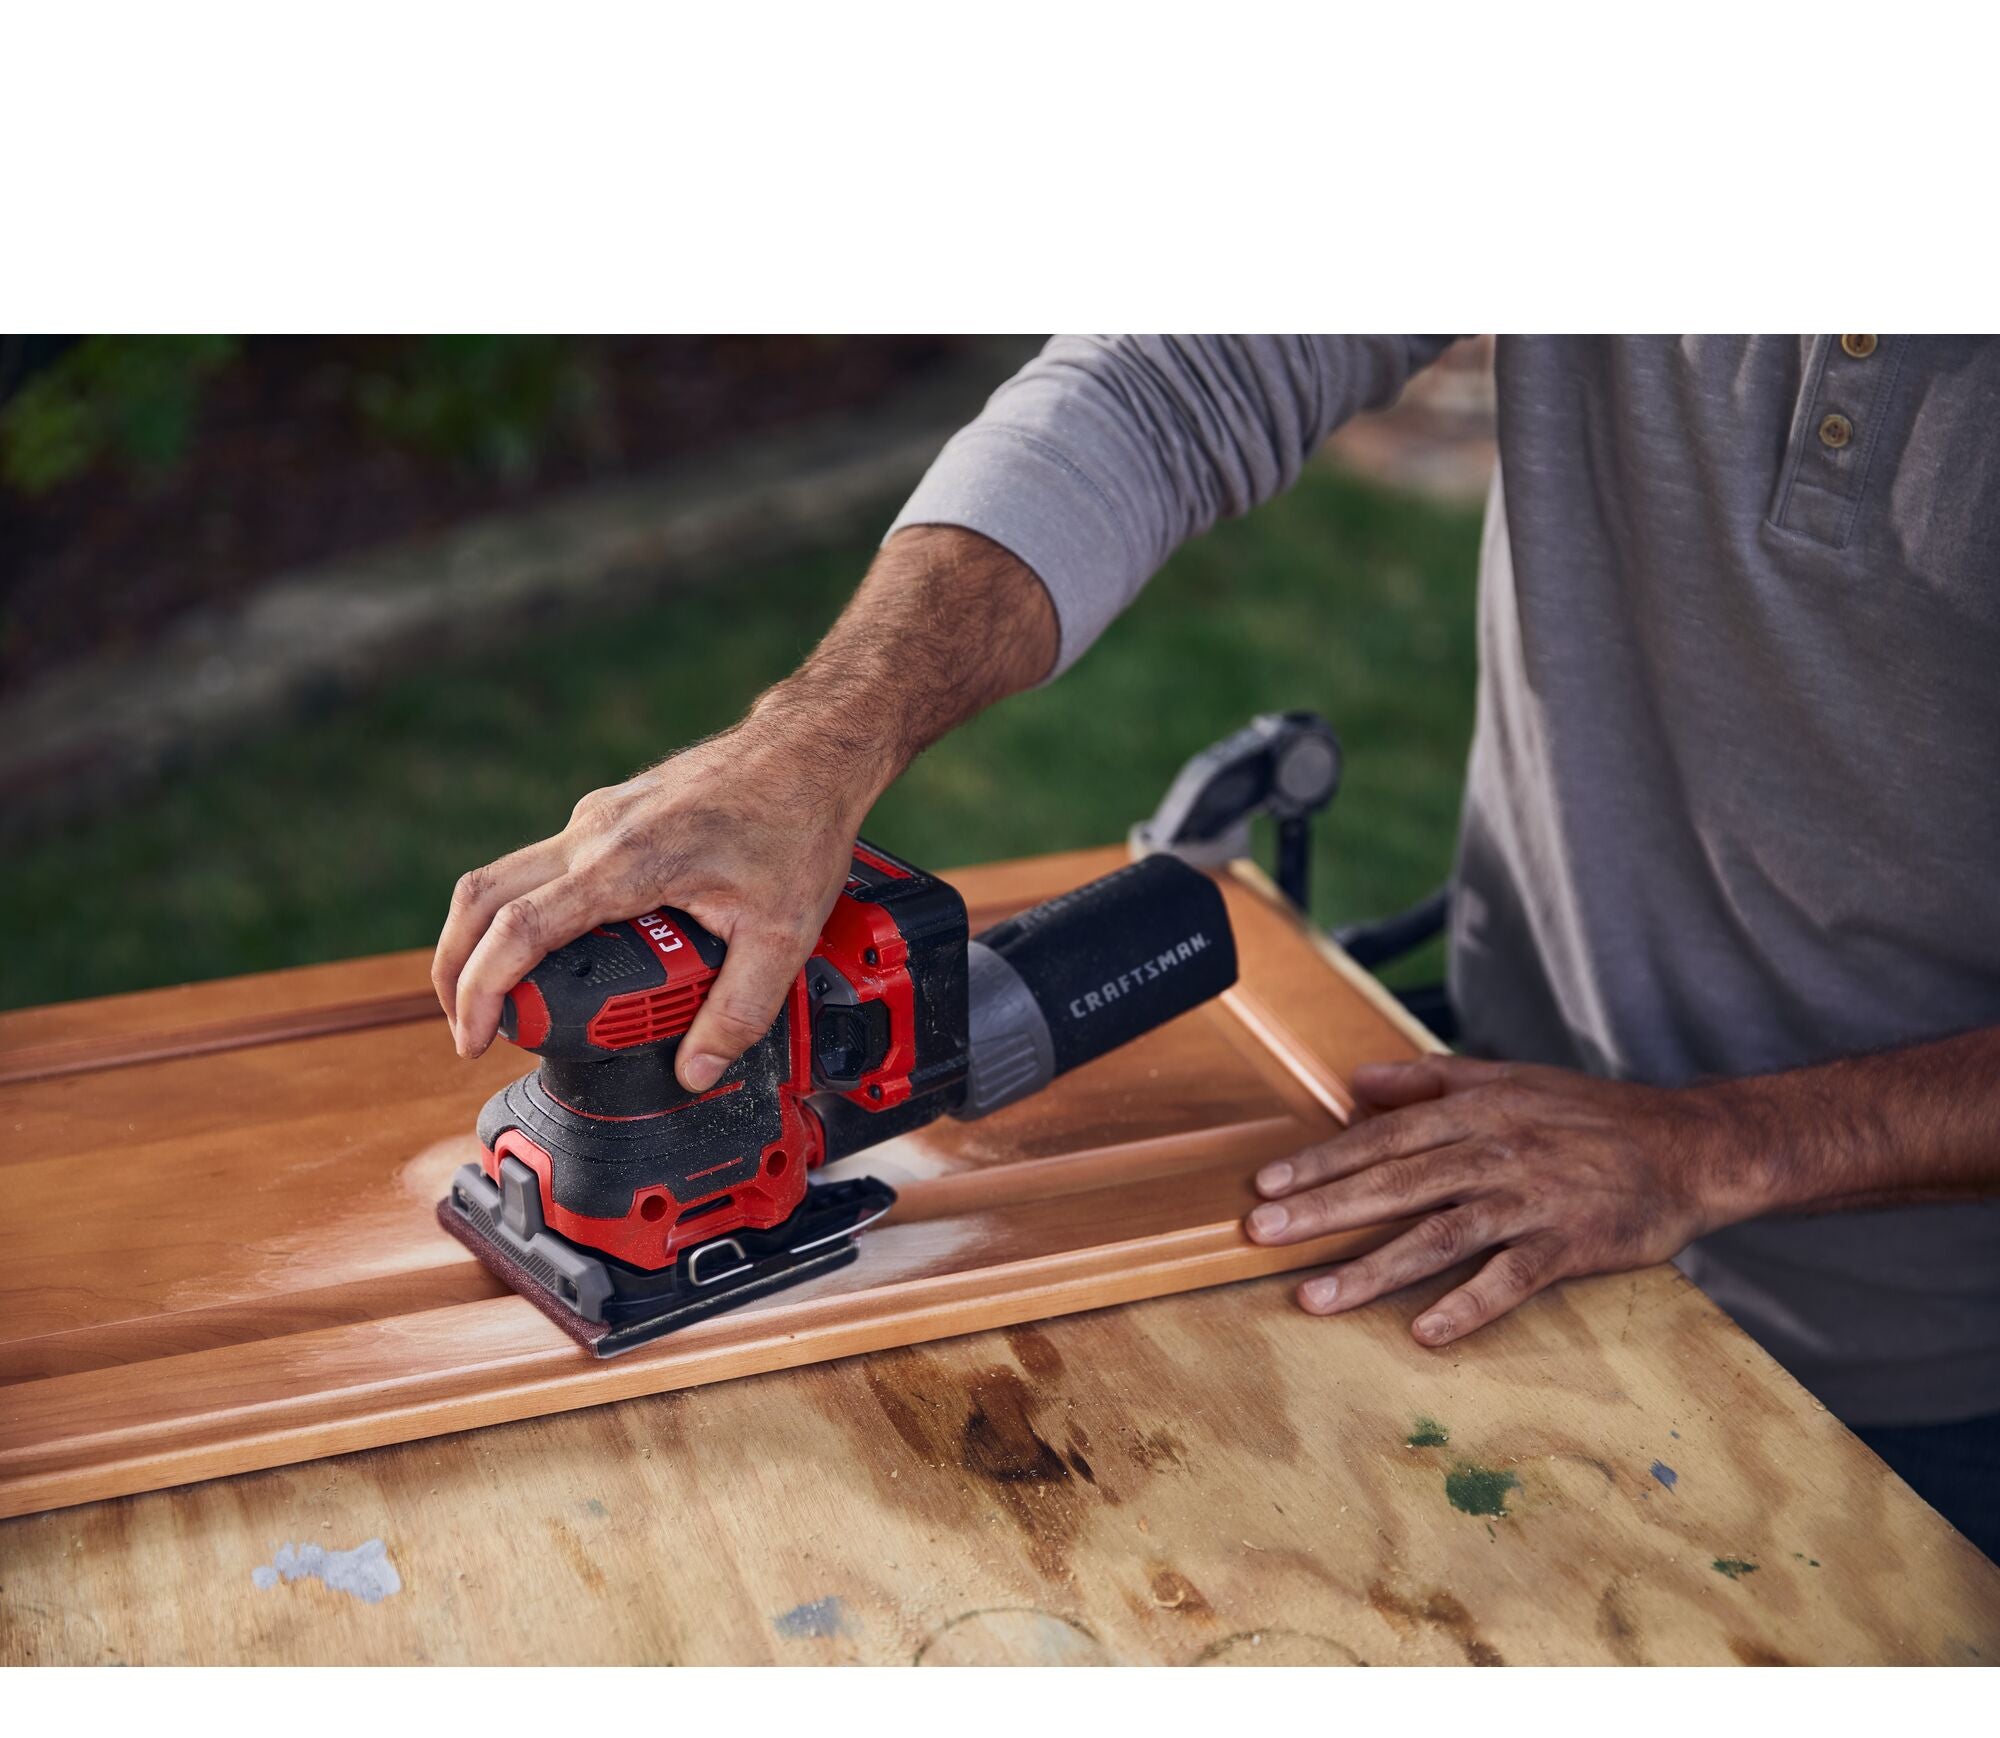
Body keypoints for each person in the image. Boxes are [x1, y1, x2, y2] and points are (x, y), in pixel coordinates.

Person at [432, 337, 2000, 1558]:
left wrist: (1721, 1146)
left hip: (1932, 1375)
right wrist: (821, 740)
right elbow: (1180, 376)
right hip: (1468, 1153)